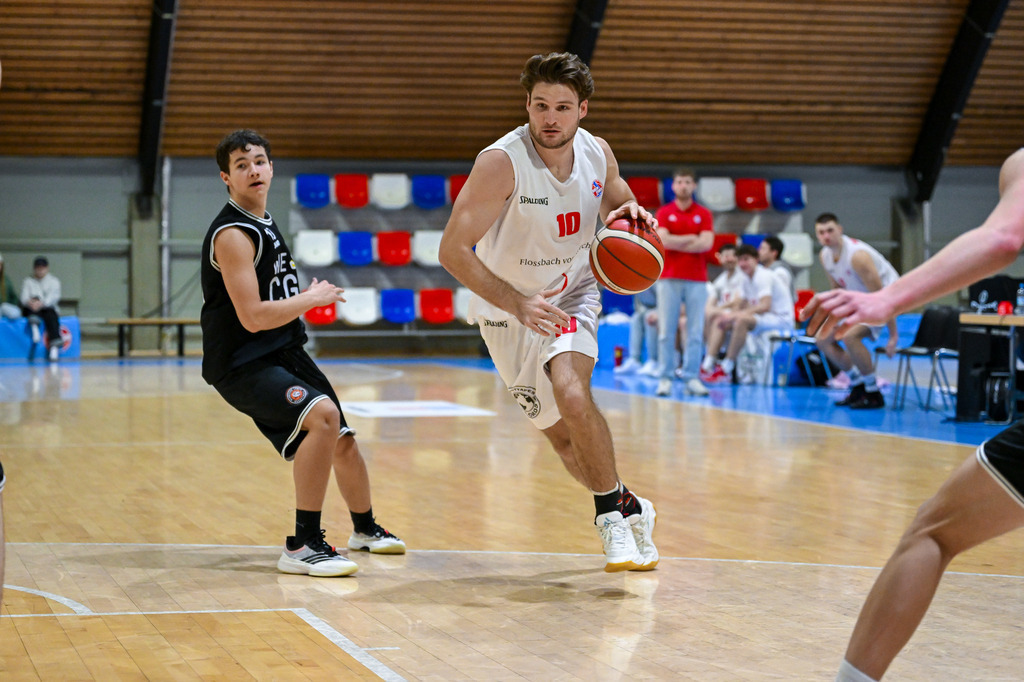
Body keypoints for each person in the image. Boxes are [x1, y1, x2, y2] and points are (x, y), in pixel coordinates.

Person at [805, 147, 1024, 682]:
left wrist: (888, 304)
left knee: (933, 532)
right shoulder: (832, 259)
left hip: (882, 308)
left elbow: (1003, 238)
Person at [438, 52, 658, 572]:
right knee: (564, 443)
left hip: (572, 292)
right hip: (508, 308)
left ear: (583, 109)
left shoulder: (598, 153)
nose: (550, 118)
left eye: (562, 107)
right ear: (528, 106)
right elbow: (452, 251)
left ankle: (609, 519)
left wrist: (631, 212)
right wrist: (516, 302)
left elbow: (619, 202)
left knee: (572, 392)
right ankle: (629, 504)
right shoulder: (501, 163)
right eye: (540, 106)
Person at [201, 129, 404, 578]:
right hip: (242, 362)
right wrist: (311, 300)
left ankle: (364, 529)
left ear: (271, 168)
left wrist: (301, 298)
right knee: (323, 417)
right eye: (241, 165)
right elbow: (252, 317)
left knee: (342, 439)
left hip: (283, 350)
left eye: (259, 161)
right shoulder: (233, 234)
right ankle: (302, 544)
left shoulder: (264, 221)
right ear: (226, 178)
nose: (253, 170)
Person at [814, 213, 899, 408]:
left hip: (884, 301)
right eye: (821, 232)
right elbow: (837, 290)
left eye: (830, 230)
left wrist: (893, 336)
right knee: (822, 338)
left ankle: (873, 392)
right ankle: (858, 385)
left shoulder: (857, 256)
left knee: (849, 336)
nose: (826, 236)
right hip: (859, 302)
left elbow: (883, 297)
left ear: (840, 230)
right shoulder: (825, 256)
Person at [653, 168, 714, 397]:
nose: (684, 186)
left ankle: (692, 377)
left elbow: (706, 244)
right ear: (673, 186)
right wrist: (691, 238)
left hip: (697, 278)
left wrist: (676, 240)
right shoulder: (664, 212)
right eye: (680, 182)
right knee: (666, 330)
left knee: (695, 330)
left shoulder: (704, 213)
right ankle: (665, 377)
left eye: (688, 182)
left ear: (694, 186)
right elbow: (663, 240)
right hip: (668, 277)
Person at [702, 244, 794, 384]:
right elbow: (741, 304)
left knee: (741, 320)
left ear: (756, 259)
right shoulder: (745, 278)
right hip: (764, 318)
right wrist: (729, 316)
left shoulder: (763, 276)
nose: (743, 263)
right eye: (740, 260)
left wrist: (735, 315)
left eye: (746, 259)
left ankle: (727, 367)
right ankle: (708, 363)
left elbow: (765, 306)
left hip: (780, 319)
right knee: (722, 320)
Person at [701, 242, 745, 366]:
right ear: (720, 258)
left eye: (733, 256)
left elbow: (738, 302)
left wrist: (717, 309)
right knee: (704, 316)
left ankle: (710, 360)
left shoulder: (742, 276)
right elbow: (710, 304)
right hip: (725, 312)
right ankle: (709, 355)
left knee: (718, 319)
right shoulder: (720, 280)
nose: (729, 259)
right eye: (726, 256)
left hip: (739, 312)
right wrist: (711, 311)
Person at [20, 256, 62, 362]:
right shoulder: (28, 281)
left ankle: (54, 347)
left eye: (42, 267)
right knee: (30, 310)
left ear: (47, 268)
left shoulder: (54, 281)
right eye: (38, 267)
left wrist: (42, 303)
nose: (40, 270)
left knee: (51, 315)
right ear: (34, 269)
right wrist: (30, 302)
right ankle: (34, 329)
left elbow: (53, 298)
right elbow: (23, 297)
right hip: (32, 308)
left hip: (47, 308)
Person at [613, 287, 659, 376]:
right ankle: (634, 359)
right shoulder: (635, 284)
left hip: (662, 309)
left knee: (649, 318)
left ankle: (653, 360)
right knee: (635, 318)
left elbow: (665, 299)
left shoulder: (656, 282)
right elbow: (638, 302)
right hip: (646, 309)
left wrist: (658, 312)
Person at [0, 252, 22, 320]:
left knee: (16, 313)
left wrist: (11, 304)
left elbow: (14, 297)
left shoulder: (6, 280)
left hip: (3, 306)